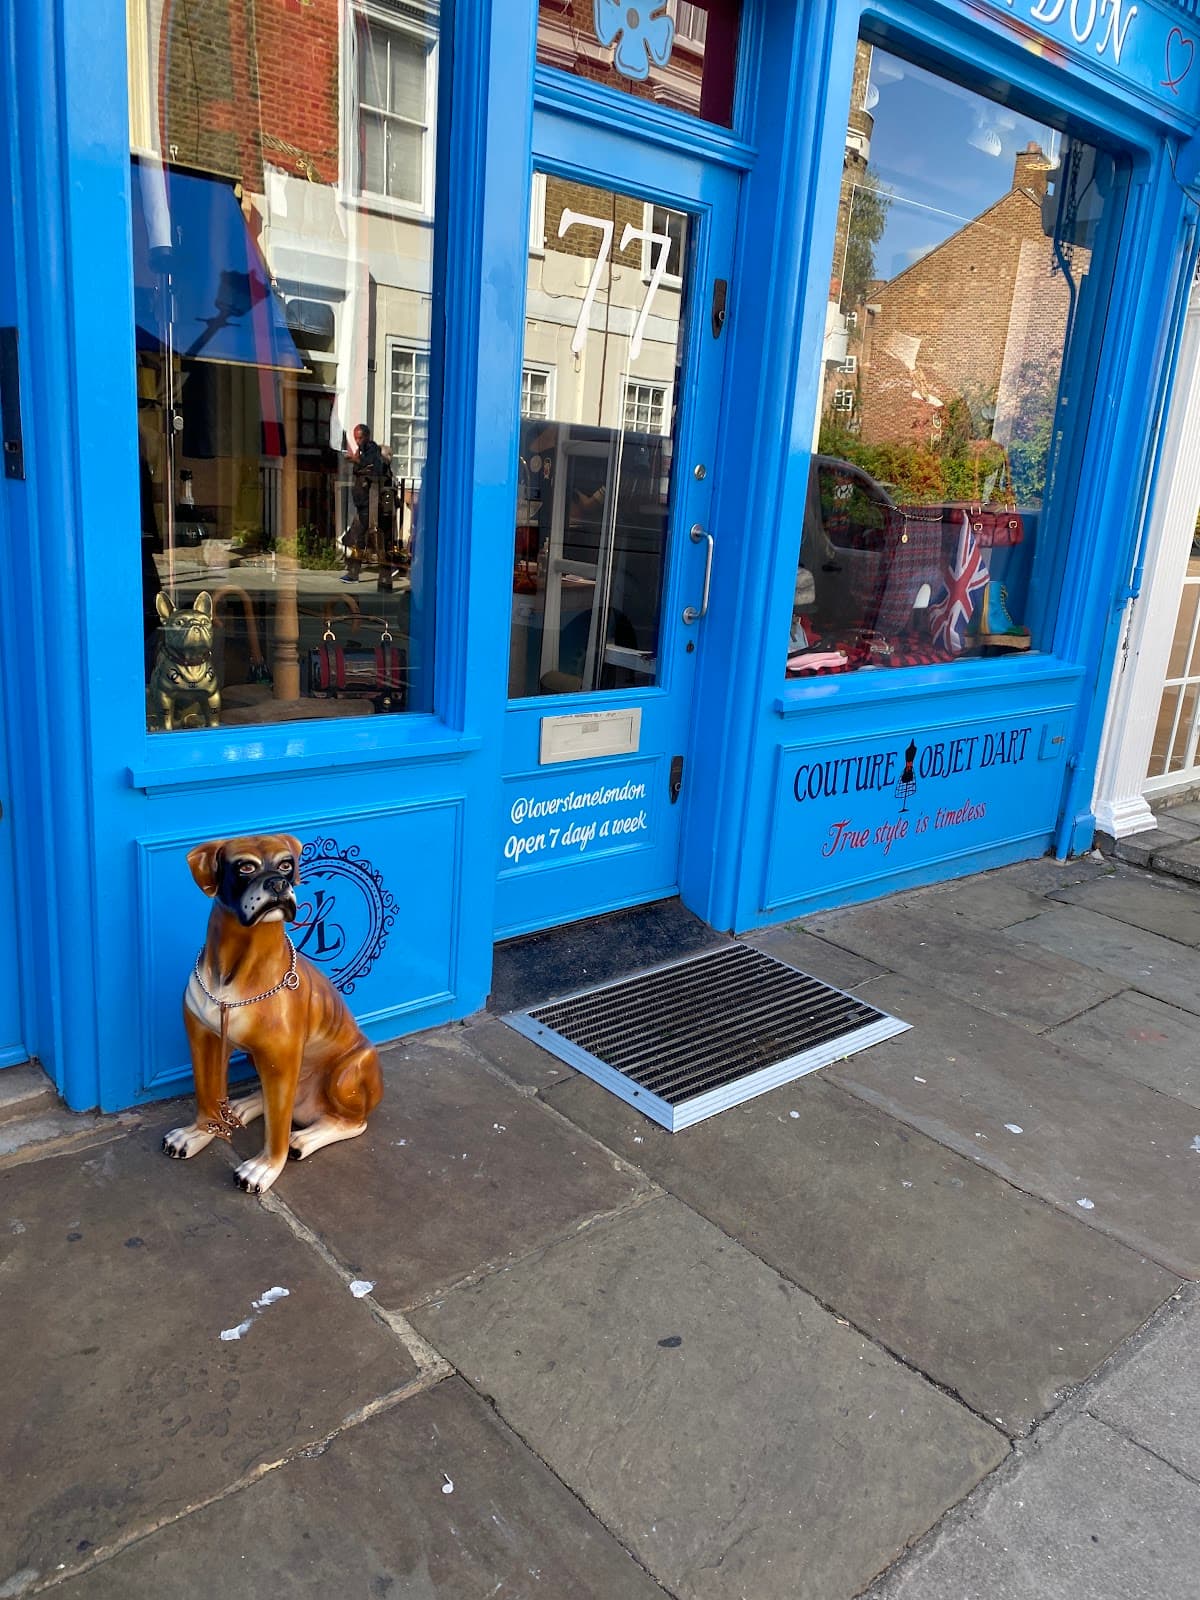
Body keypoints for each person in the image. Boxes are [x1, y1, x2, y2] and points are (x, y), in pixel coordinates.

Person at [342, 423, 396, 584]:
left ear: (366, 436)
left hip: (371, 504)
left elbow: (375, 470)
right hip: (366, 503)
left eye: (360, 437)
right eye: (355, 438)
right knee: (369, 539)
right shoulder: (365, 452)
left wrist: (357, 461)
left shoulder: (372, 451)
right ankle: (380, 578)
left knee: (370, 539)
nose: (357, 441)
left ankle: (355, 573)